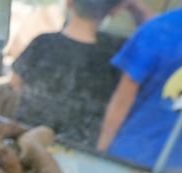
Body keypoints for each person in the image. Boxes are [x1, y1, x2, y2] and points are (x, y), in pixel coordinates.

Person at [11, 0, 154, 148]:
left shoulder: (43, 42)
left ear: (69, 2)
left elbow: (14, 86)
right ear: (115, 10)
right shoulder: (116, 55)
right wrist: (134, 5)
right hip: (79, 151)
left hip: (25, 140)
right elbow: (158, 34)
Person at [97, 8, 182, 171]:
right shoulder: (160, 28)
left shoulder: (160, 27)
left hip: (129, 157)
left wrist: (99, 154)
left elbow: (122, 100)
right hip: (136, 160)